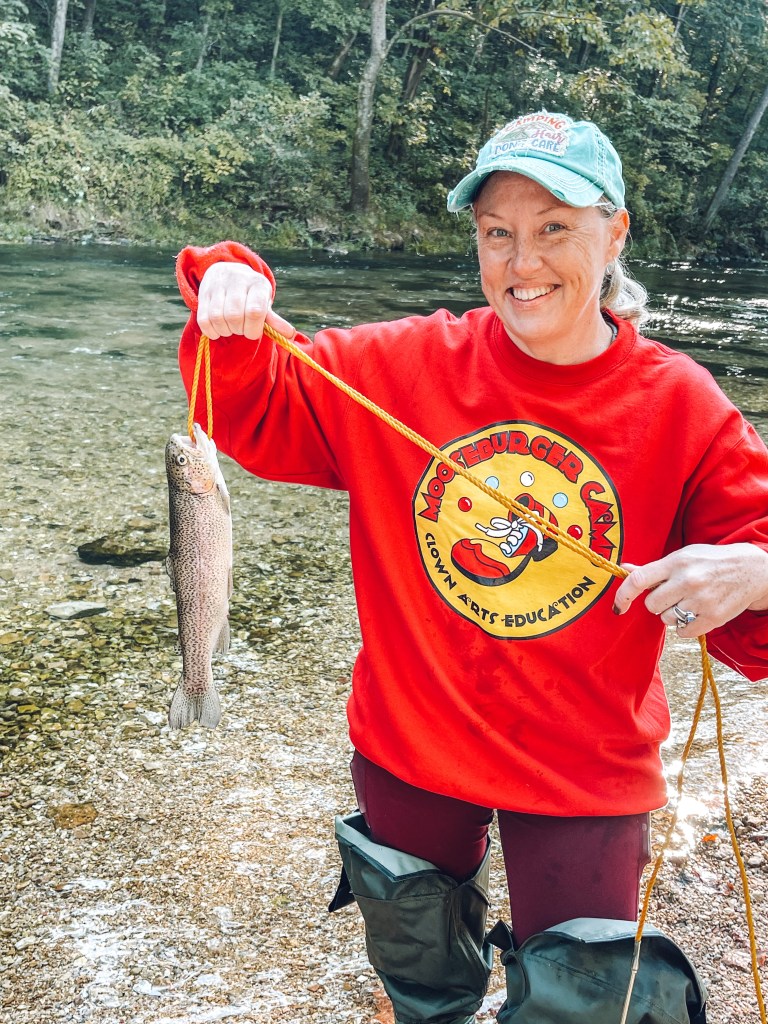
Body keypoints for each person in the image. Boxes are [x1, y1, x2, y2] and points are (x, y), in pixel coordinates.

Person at [174, 111, 768, 1024]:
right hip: (409, 746)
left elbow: (754, 586)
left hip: (583, 772)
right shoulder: (403, 364)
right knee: (422, 985)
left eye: (554, 228)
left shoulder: (682, 403)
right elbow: (255, 405)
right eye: (498, 233)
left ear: (615, 233)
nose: (522, 262)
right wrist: (227, 290)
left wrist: (753, 576)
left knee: (583, 998)